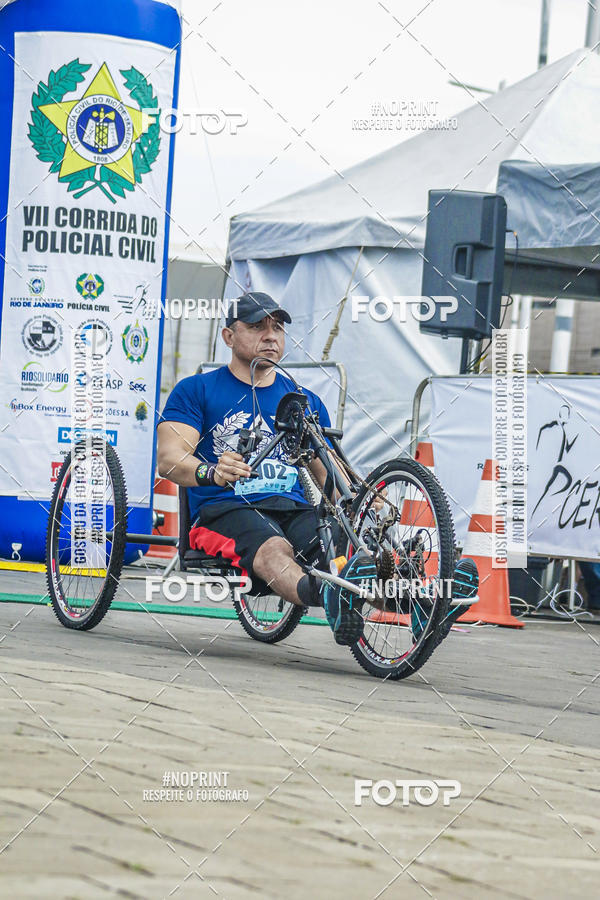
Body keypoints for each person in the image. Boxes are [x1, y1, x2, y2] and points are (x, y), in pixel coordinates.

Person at [156, 291, 370, 645]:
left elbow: (330, 475)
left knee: (346, 548)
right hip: (225, 508)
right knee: (273, 547)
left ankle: (421, 598)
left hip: (293, 508)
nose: (271, 336)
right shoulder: (196, 390)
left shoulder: (303, 400)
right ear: (228, 336)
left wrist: (359, 509)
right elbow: (169, 459)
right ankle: (328, 595)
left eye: (278, 327)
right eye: (257, 327)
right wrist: (212, 471)